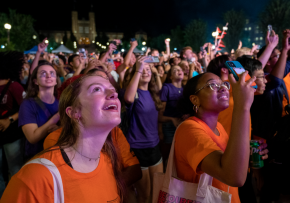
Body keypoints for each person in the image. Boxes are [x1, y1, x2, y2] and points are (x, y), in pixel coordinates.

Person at [1, 73, 128, 202]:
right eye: (97, 89)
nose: (114, 94)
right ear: (74, 112)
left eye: (113, 90)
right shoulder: (35, 178)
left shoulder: (108, 162)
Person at [175, 71, 256, 203]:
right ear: (195, 99)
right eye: (212, 85)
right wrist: (242, 107)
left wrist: (247, 155)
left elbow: (229, 160)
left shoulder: (218, 127)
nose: (223, 87)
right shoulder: (189, 130)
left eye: (223, 84)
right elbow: (234, 177)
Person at [123, 56, 163, 203]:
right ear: (136, 73)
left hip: (154, 146)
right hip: (137, 148)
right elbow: (128, 99)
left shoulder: (153, 93)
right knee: (144, 195)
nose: (146, 72)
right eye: (142, 70)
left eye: (148, 70)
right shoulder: (134, 93)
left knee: (157, 192)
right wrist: (138, 69)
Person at [18, 61, 60, 160]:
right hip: (37, 158)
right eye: (43, 73)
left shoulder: (61, 103)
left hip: (56, 156)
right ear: (35, 81)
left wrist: (58, 129)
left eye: (52, 73)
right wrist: (57, 117)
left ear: (56, 80)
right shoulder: (28, 104)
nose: (49, 76)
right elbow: (32, 138)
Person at [0, 51, 25, 198]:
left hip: (12, 136)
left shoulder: (14, 86)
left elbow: (25, 108)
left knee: (15, 169)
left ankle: (17, 198)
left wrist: (8, 120)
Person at [158, 65, 184, 168]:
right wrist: (160, 131)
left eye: (180, 69)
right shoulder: (166, 88)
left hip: (181, 125)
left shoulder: (184, 89)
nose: (179, 71)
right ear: (171, 77)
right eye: (175, 70)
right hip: (168, 126)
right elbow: (160, 113)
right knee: (167, 155)